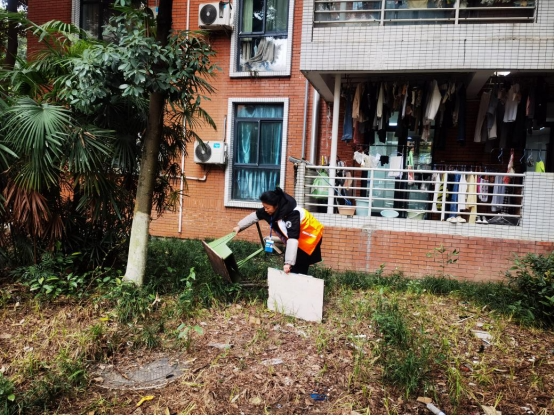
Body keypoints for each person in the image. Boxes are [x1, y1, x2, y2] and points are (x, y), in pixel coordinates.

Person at [232, 187, 324, 275]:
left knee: (298, 265)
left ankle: (299, 281)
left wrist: (288, 263)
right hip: (296, 237)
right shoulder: (270, 210)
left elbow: (293, 238)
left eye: (267, 208)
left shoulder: (292, 214)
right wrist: (239, 227)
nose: (265, 210)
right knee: (290, 265)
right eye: (264, 207)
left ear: (276, 206)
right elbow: (256, 215)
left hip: (309, 237)